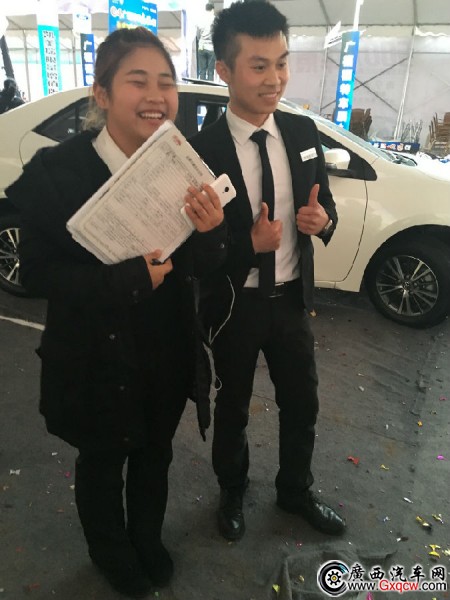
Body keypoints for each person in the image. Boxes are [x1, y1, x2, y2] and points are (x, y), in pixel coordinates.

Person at [6, 27, 227, 598]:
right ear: (101, 94)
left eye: (166, 83)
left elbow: (202, 265)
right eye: (138, 81)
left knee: (155, 456)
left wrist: (210, 231)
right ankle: (111, 553)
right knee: (103, 462)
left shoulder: (182, 167)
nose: (157, 96)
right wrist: (125, 280)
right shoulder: (56, 173)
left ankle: (146, 538)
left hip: (165, 349)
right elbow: (36, 274)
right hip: (94, 356)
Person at [190, 1, 346, 542]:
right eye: (258, 66)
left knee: (302, 401)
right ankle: (232, 489)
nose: (275, 78)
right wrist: (246, 246)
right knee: (232, 406)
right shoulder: (202, 152)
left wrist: (323, 221)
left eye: (282, 62)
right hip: (237, 304)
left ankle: (295, 491)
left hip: (291, 301)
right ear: (225, 70)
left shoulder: (301, 133)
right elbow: (194, 252)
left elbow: (325, 204)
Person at [197, 3, 215, 81]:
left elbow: (198, 35)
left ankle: (201, 87)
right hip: (211, 47)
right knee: (210, 72)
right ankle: (210, 88)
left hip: (201, 46)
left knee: (202, 71)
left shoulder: (200, 19)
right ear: (212, 9)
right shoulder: (214, 19)